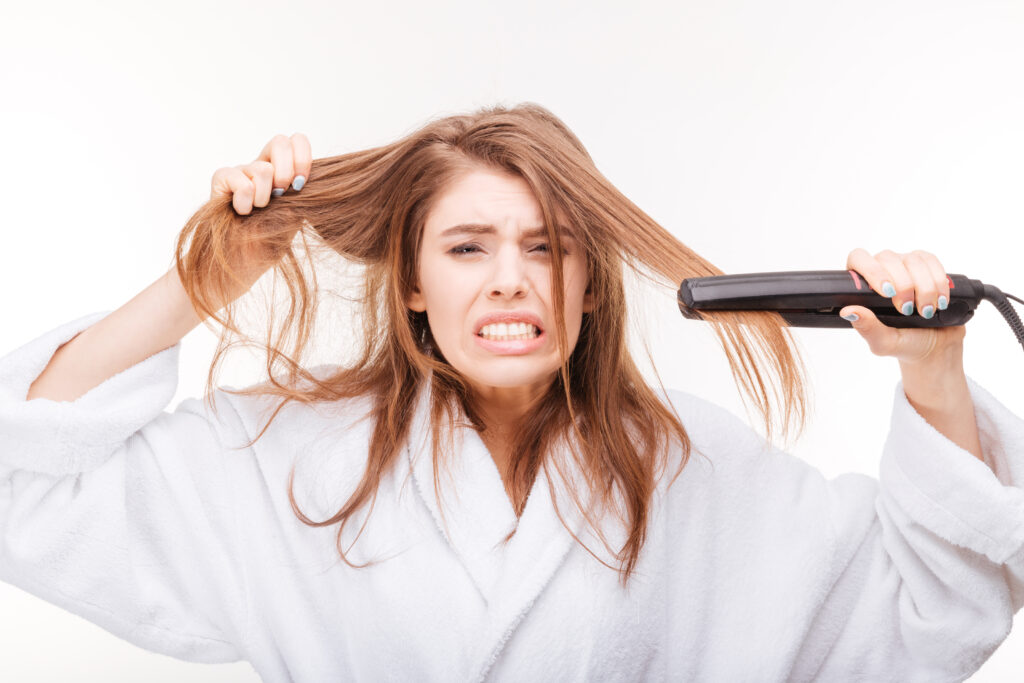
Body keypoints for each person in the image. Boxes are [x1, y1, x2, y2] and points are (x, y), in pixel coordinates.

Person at [1, 102, 1021, 682]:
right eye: (466, 245)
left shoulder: (690, 464)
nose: (508, 278)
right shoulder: (286, 458)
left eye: (547, 247)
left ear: (585, 286)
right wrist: (206, 280)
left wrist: (931, 371)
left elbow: (929, 614)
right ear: (411, 282)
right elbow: (25, 484)